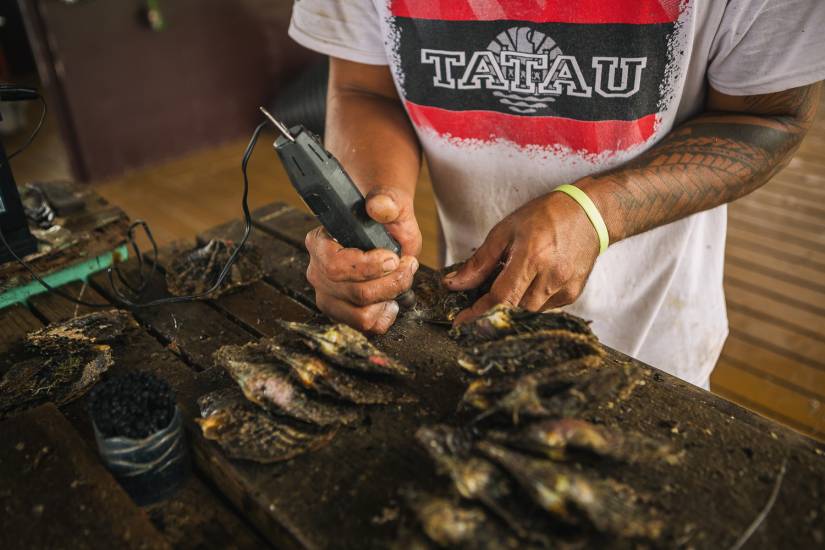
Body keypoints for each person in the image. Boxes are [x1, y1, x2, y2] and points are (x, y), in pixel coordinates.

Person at [287, 0, 824, 388]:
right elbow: (364, 88)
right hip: (469, 327)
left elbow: (770, 119)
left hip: (654, 342)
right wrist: (374, 208)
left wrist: (596, 211)